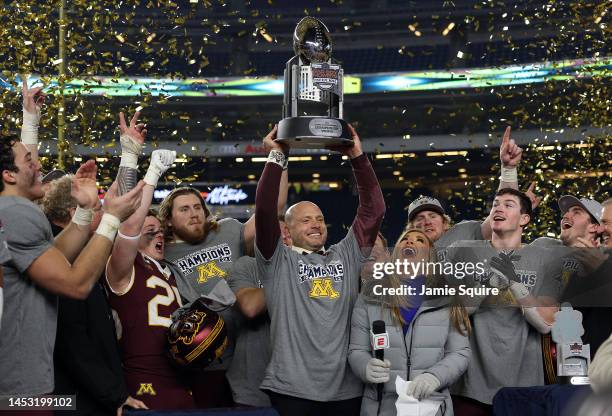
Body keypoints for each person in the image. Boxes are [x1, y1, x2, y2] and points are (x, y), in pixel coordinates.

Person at [254, 125, 385, 415]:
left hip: (347, 389)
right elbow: (264, 211)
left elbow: (373, 211)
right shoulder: (277, 260)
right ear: (286, 229)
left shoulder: (347, 254)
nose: (315, 224)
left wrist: (358, 158)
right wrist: (277, 157)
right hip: (293, 390)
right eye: (305, 220)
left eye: (320, 218)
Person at [0, 135, 143, 399]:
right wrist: (111, 218)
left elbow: (53, 257)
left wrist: (85, 210)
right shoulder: (16, 212)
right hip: (17, 386)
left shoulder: (9, 213)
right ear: (8, 175)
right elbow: (75, 284)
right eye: (29, 160)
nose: (38, 165)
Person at [158, 126, 289, 407]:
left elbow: (273, 209)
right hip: (205, 354)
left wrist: (279, 155)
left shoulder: (228, 230)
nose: (194, 214)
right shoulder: (162, 250)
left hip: (251, 347)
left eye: (197, 207)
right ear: (167, 219)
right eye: (184, 209)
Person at [441, 188, 562, 415]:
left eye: (508, 204)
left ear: (525, 219)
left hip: (525, 386)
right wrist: (487, 283)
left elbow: (546, 324)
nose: (498, 208)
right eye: (496, 203)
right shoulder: (464, 252)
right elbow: (454, 312)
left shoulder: (542, 256)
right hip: (470, 386)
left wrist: (515, 284)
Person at [105, 113, 193, 409]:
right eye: (150, 230)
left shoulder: (168, 271)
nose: (159, 235)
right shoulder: (123, 268)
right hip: (142, 382)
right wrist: (140, 163)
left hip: (181, 379)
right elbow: (128, 221)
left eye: (161, 231)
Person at [42, 173, 145, 416]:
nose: (101, 214)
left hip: (78, 393)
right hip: (72, 400)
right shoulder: (55, 253)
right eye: (97, 209)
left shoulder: (65, 248)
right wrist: (114, 394)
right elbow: (72, 341)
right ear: (73, 212)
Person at [349, 228, 471, 416]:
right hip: (381, 407)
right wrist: (365, 366)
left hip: (432, 408)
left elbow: (460, 352)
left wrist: (435, 377)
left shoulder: (449, 296)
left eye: (420, 240)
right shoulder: (369, 295)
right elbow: (357, 350)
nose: (410, 242)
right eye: (404, 239)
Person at [406, 127, 539, 249]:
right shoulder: (403, 253)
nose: (427, 222)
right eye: (420, 218)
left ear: (445, 223)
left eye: (432, 216)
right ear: (411, 228)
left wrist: (509, 170)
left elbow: (496, 223)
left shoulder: (462, 234)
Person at [226, 216, 292, 407]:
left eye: (288, 233)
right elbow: (251, 307)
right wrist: (290, 270)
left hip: (303, 386)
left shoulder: (314, 268)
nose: (285, 239)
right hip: (254, 387)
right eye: (276, 235)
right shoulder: (247, 266)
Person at [530, 195, 602, 248]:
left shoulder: (605, 262)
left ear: (594, 227)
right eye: (566, 212)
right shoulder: (543, 245)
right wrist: (523, 207)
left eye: (576, 212)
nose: (565, 216)